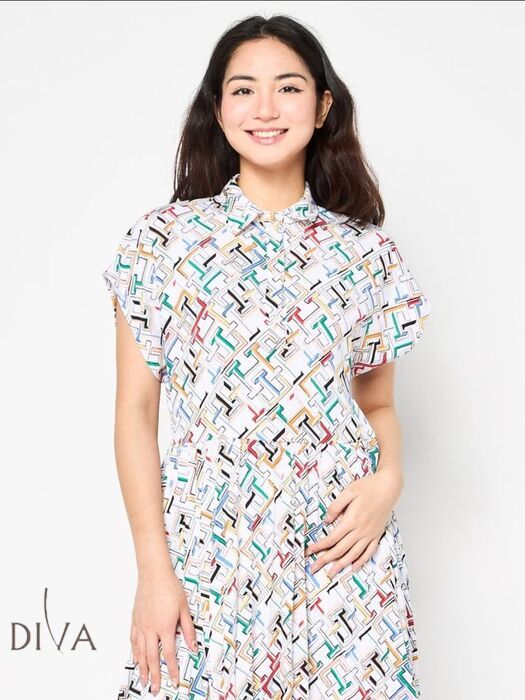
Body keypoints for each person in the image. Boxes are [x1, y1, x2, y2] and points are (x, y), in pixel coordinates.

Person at [101, 14, 432, 700]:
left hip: (340, 551)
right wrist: (154, 570)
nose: (265, 108)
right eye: (243, 89)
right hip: (209, 550)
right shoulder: (161, 244)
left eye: (288, 87)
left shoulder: (365, 253)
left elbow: (376, 404)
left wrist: (389, 479)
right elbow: (135, 413)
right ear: (217, 108)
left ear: (322, 106)